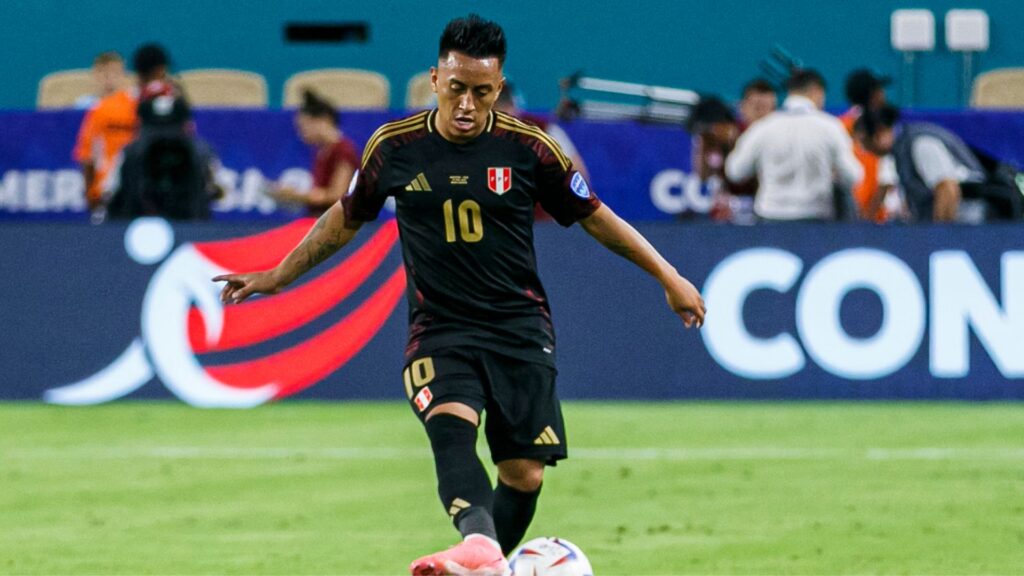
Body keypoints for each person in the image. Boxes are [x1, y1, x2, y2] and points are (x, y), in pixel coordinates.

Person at [213, 14, 705, 576]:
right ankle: (478, 543)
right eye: (456, 88)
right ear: (434, 79)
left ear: (499, 87)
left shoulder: (530, 149)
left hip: (519, 328)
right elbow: (344, 218)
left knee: (524, 474)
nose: (467, 104)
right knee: (451, 425)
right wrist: (279, 274)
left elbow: (596, 217)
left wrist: (669, 276)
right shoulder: (394, 147)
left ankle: (485, 561)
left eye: (482, 91)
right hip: (439, 328)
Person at [725, 69, 863, 221]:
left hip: (771, 217)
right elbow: (853, 175)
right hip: (816, 218)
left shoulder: (763, 127)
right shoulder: (831, 127)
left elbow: (735, 171)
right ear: (818, 92)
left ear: (790, 92)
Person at [854, 105, 1023, 222]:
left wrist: (939, 236)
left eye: (865, 142)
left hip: (973, 220)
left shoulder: (920, 144)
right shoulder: (901, 150)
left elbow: (948, 188)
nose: (865, 149)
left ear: (879, 133)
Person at [268, 90, 359, 215]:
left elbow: (337, 196)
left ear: (323, 120)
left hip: (334, 222)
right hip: (317, 219)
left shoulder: (344, 150)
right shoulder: (320, 151)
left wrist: (295, 195)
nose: (301, 134)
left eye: (304, 127)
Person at [72, 51, 137, 212]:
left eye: (114, 72)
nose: (109, 78)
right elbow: (86, 155)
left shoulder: (135, 105)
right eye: (103, 73)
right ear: (95, 75)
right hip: (103, 187)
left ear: (123, 75)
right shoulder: (84, 106)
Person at [840, 69, 897, 222]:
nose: (883, 95)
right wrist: (868, 220)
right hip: (872, 220)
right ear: (873, 95)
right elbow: (886, 178)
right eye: (880, 90)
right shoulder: (881, 128)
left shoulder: (837, 125)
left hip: (847, 218)